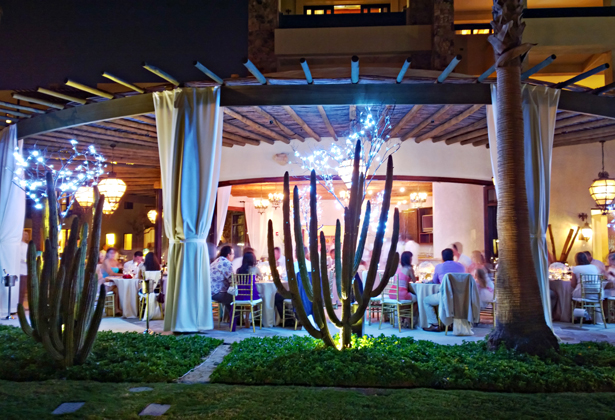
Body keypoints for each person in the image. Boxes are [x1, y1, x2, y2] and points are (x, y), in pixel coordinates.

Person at [422, 249, 466, 332]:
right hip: (460, 297)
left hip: (445, 296)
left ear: (442, 257)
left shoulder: (439, 267)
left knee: (426, 301)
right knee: (451, 303)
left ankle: (434, 324)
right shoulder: (461, 266)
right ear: (453, 257)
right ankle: (452, 323)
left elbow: (435, 281)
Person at [211, 245, 239, 330]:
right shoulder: (226, 263)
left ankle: (230, 318)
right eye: (233, 254)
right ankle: (235, 321)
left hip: (210, 291)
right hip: (217, 293)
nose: (234, 256)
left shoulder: (217, 261)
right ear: (228, 255)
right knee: (236, 297)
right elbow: (232, 280)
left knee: (231, 294)